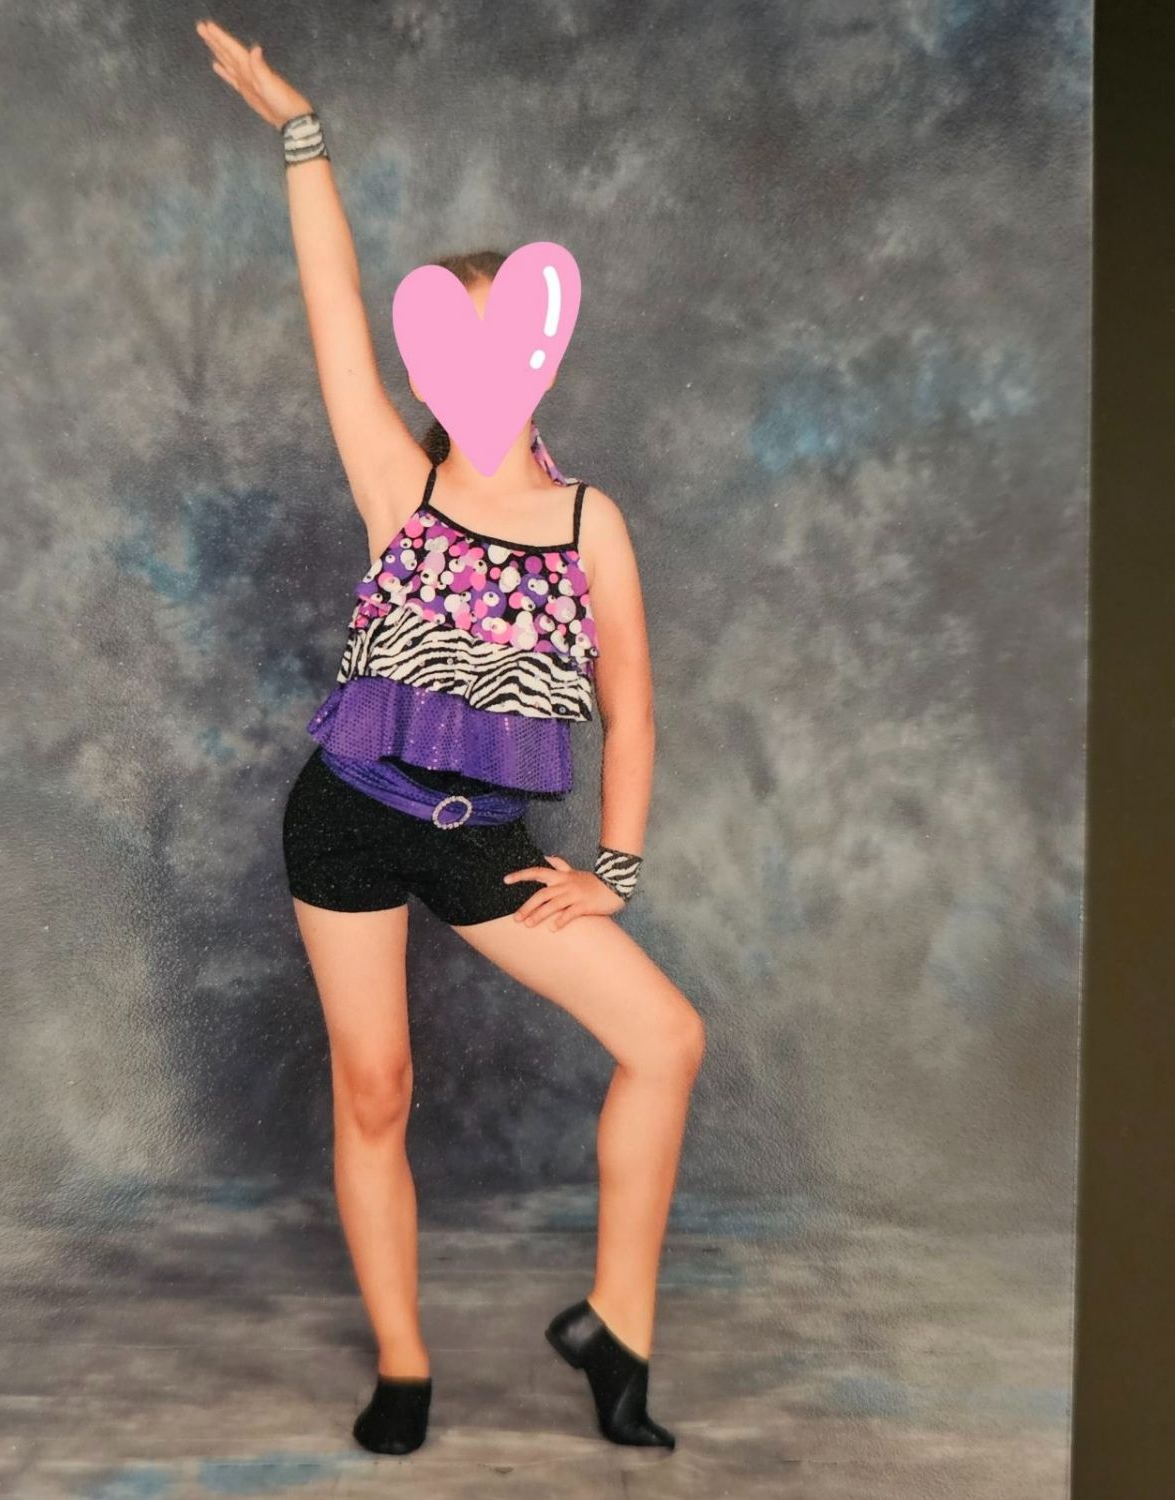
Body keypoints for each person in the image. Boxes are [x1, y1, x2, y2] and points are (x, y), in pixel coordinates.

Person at [197, 20, 706, 1458]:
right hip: (348, 814)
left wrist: (616, 864)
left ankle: (615, 1325)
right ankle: (404, 1361)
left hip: (485, 841)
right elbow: (330, 302)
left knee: (666, 1039)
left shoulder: (589, 520)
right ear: (433, 363)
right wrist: (301, 134)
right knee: (379, 1089)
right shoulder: (395, 481)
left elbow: (632, 702)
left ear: (543, 353)